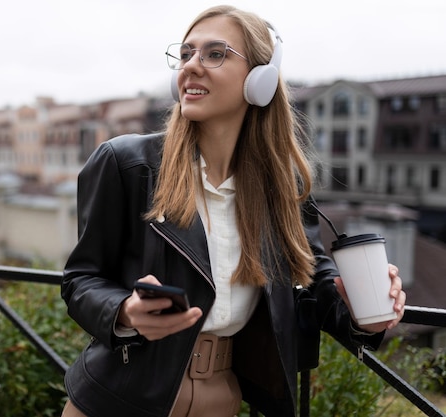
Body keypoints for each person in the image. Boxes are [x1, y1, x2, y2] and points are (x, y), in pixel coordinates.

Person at [60, 5, 406, 417]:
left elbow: (309, 271)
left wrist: (361, 314)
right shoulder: (127, 163)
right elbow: (81, 279)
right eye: (186, 53)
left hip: (222, 396)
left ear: (260, 80)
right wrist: (125, 312)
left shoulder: (284, 183)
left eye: (215, 53)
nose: (192, 66)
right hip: (120, 396)